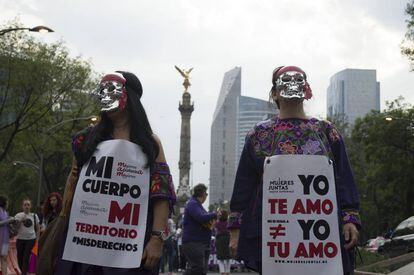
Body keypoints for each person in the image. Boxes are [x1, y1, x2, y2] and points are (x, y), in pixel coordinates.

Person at [38, 71, 176, 275]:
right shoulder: (85, 139)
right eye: (102, 90)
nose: (105, 94)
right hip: (84, 244)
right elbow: (73, 181)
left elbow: (161, 193)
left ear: (129, 97)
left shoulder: (150, 144)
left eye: (111, 89)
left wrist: (156, 239)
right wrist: (61, 224)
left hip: (132, 245)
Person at [228, 66, 361, 275]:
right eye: (285, 81)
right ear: (274, 93)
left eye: (297, 80)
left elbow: (343, 178)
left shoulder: (326, 131)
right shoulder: (259, 134)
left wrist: (350, 218)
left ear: (306, 90)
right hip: (274, 235)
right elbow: (244, 184)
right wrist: (235, 230)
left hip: (321, 235)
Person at [182, 184, 217, 275]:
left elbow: (205, 219)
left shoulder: (198, 205)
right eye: (206, 193)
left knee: (202, 270)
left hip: (202, 243)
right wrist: (214, 214)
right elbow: (200, 217)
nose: (206, 195)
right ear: (202, 194)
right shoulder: (192, 203)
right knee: (197, 268)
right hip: (194, 242)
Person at [14, 198, 40, 275]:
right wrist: (21, 220)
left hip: (31, 239)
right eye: (25, 205)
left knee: (26, 257)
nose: (27, 206)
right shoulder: (18, 215)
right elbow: (15, 228)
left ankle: (24, 273)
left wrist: (37, 240)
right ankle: (21, 271)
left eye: (28, 204)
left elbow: (38, 229)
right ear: (22, 206)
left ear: (30, 206)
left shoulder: (34, 216)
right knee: (19, 257)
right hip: (20, 239)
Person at [215, 210, 231, 275]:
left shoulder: (217, 223)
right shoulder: (228, 222)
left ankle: (222, 271)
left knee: (220, 257)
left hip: (219, 239)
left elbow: (215, 230)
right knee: (228, 257)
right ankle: (227, 272)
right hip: (227, 239)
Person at [0, 195, 11, 275]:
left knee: (4, 258)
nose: (8, 204)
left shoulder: (5, 212)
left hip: (5, 239)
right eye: (7, 202)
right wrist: (8, 220)